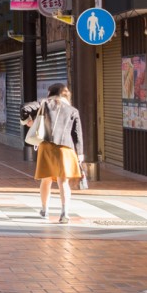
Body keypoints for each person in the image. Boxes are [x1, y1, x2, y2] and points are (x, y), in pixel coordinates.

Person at [34, 83, 85, 223]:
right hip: (65, 149)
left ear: (51, 93)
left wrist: (27, 121)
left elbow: (25, 108)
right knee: (63, 182)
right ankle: (65, 213)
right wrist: (80, 154)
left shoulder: (45, 105)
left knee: (46, 180)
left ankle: (44, 210)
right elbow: (77, 134)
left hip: (47, 146)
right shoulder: (72, 110)